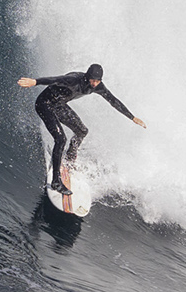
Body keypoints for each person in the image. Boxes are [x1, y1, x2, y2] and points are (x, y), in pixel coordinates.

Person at [16, 64, 146, 194]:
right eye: (93, 80)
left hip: (59, 105)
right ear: (88, 76)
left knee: (82, 131)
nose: (95, 84)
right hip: (45, 104)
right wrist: (35, 82)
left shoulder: (98, 86)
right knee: (61, 139)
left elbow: (113, 100)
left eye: (98, 81)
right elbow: (55, 79)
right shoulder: (74, 80)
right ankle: (56, 182)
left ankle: (69, 159)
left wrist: (132, 117)